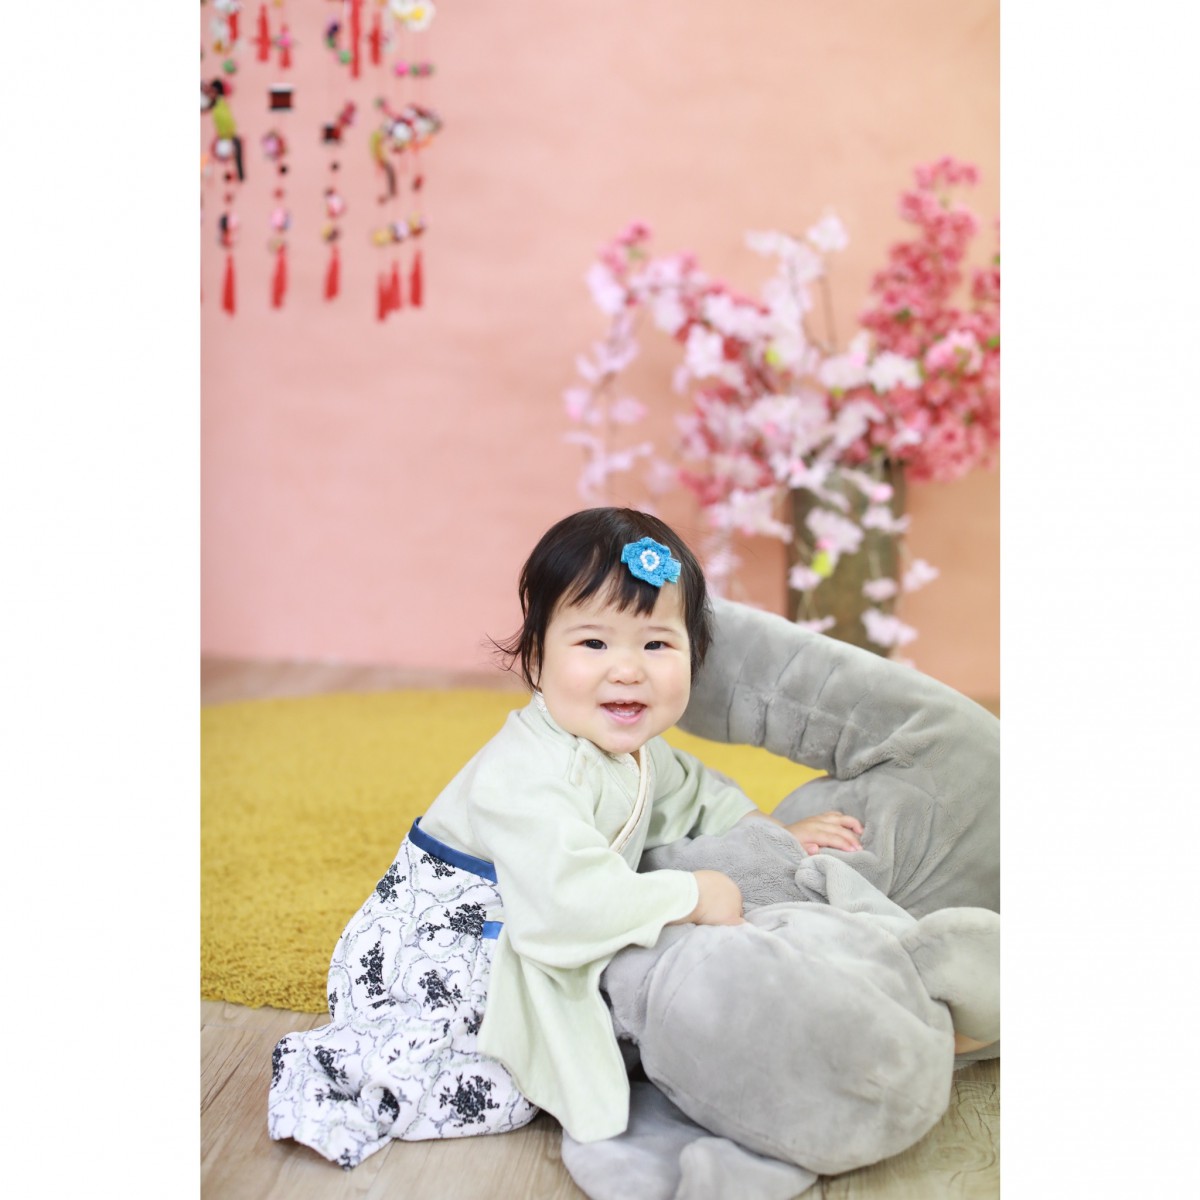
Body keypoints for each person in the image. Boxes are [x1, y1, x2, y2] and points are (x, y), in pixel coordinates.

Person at [266, 507, 864, 1167]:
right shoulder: (523, 773)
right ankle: (344, 1067)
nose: (628, 670)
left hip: (533, 917)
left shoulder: (638, 752)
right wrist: (692, 895)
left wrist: (767, 830)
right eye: (594, 644)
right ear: (537, 658)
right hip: (442, 949)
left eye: (656, 645)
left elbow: (694, 792)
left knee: (597, 1026)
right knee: (513, 1081)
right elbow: (568, 904)